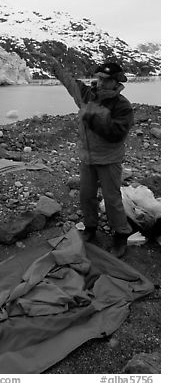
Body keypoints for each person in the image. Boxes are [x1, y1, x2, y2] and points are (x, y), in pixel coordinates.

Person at [52, 59, 134, 257]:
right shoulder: (88, 94)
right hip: (87, 158)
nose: (102, 82)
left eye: (106, 80)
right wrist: (56, 69)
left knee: (112, 198)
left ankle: (121, 236)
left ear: (116, 82)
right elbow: (71, 84)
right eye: (99, 78)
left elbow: (116, 133)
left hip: (109, 159)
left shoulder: (122, 105)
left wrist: (90, 117)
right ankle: (90, 228)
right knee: (86, 195)